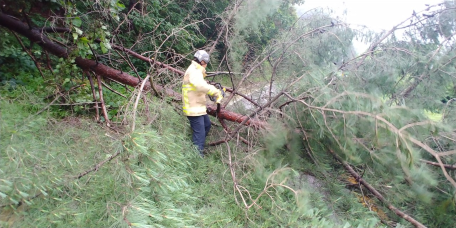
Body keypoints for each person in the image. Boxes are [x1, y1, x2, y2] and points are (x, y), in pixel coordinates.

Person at [182, 50, 223, 156]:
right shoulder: (194, 71)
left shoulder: (196, 71)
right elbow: (200, 86)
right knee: (199, 135)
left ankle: (196, 148)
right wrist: (215, 91)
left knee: (207, 125)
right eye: (206, 63)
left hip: (198, 107)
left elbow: (199, 84)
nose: (206, 65)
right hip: (193, 109)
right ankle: (196, 157)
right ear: (203, 61)